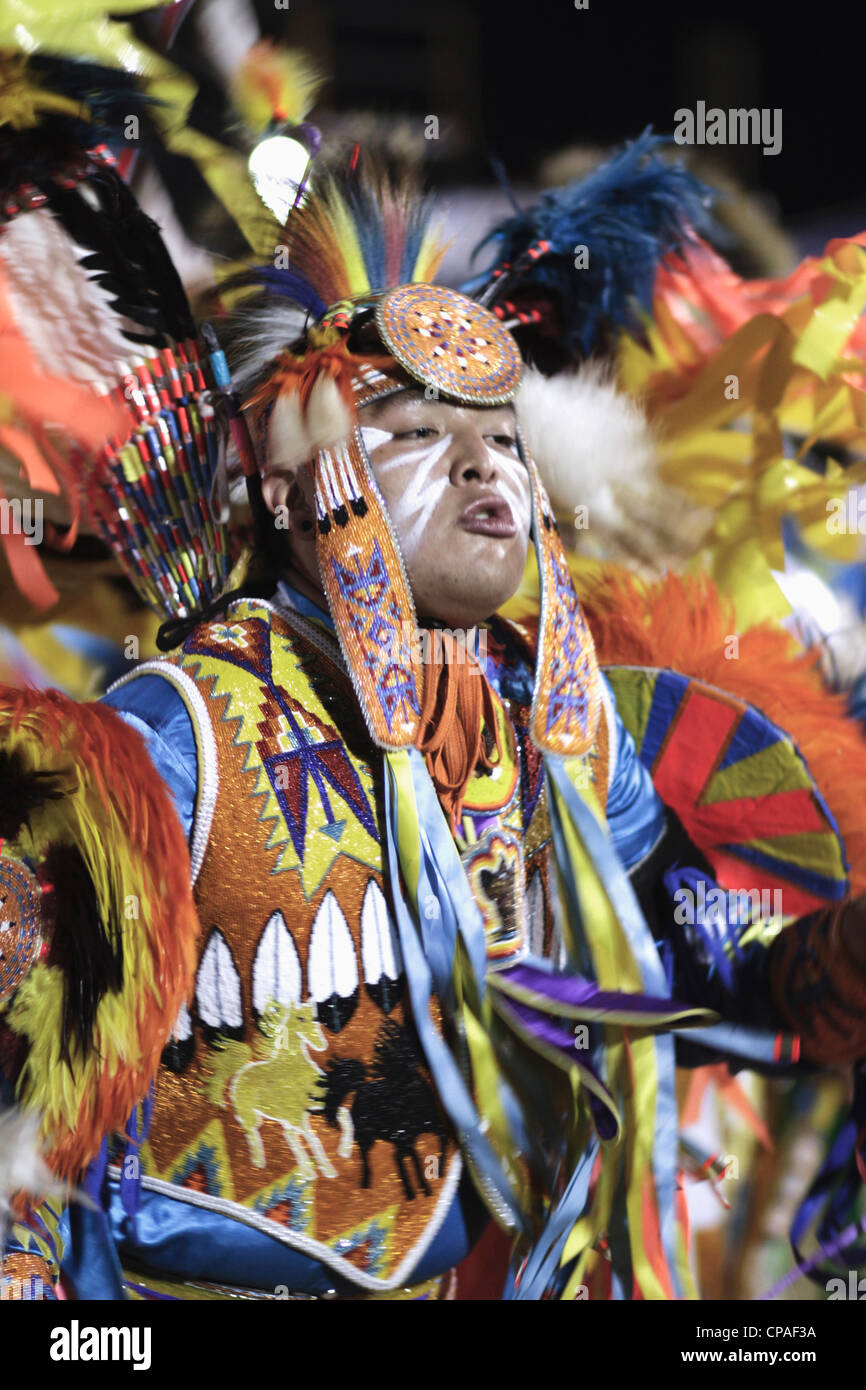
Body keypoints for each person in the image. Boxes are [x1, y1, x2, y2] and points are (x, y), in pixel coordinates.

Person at [3, 155, 866, 1304]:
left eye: (503, 439)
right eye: (411, 433)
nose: (480, 465)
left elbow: (690, 965)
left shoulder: (553, 726)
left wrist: (836, 959)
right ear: (291, 481)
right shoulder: (177, 727)